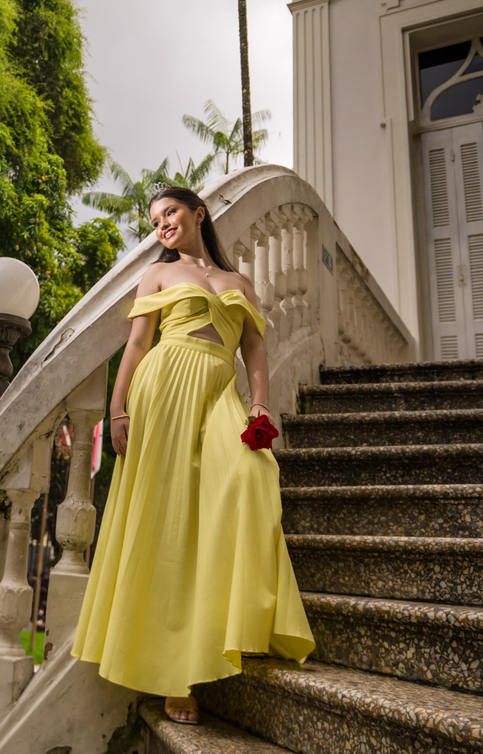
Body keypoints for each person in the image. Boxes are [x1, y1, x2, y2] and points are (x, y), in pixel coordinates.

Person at [71, 186, 315, 725]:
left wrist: (258, 407)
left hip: (218, 391)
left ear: (198, 213)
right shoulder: (159, 274)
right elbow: (138, 344)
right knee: (170, 522)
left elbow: (254, 348)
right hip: (165, 387)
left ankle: (242, 618)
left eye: (171, 212)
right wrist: (117, 410)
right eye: (155, 220)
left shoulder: (239, 283)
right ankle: (176, 675)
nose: (162, 224)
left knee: (250, 476)